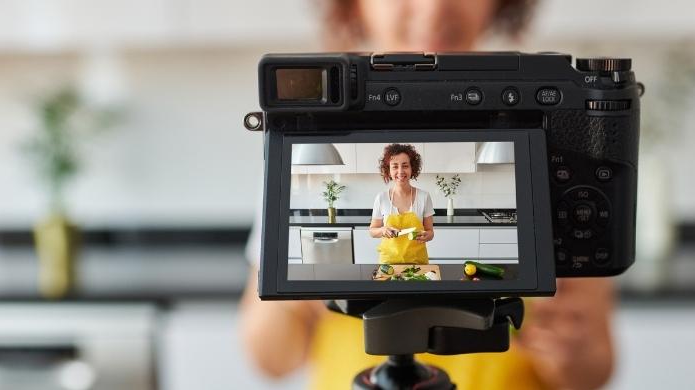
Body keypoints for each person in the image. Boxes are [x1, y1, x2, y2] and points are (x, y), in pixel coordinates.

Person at [240, 1, 616, 389]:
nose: (434, 7)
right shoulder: (310, 140)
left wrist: (572, 352)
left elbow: (594, 367)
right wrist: (297, 289)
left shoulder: (552, 132)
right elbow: (269, 356)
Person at [368, 144, 434, 265]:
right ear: (388, 170)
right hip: (388, 264)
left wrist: (426, 235)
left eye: (405, 166)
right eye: (395, 166)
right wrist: (383, 230)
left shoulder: (424, 197)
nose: (400, 171)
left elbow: (430, 232)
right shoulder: (381, 198)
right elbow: (372, 231)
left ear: (412, 168)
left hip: (418, 263)